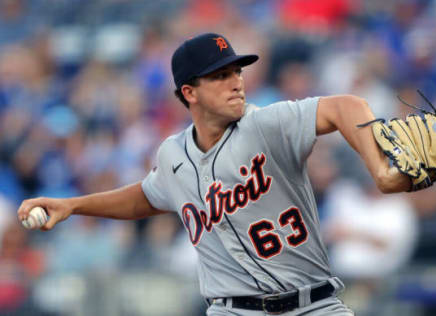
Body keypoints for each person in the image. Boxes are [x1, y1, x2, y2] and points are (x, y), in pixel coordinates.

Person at [18, 33, 411, 315]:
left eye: (237, 71)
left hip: (314, 304)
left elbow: (348, 106)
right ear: (189, 92)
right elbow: (146, 197)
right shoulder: (173, 155)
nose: (237, 82)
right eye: (221, 76)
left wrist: (379, 167)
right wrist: (72, 205)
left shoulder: (266, 124)